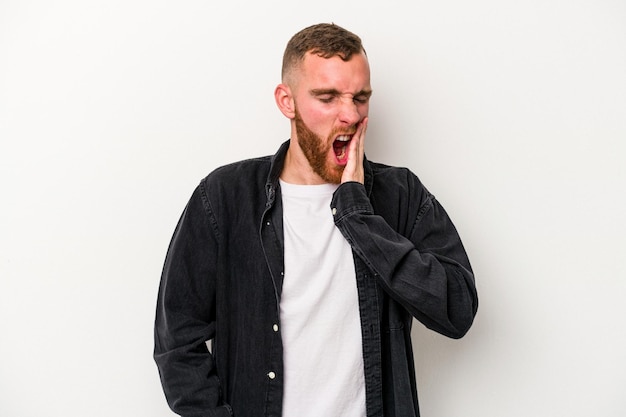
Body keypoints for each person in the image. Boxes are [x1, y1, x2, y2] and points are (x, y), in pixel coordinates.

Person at [154, 23, 478, 417]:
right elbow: (177, 341)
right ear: (286, 101)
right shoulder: (224, 197)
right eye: (327, 97)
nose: (350, 115)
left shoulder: (400, 195)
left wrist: (359, 215)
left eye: (360, 98)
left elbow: (457, 310)